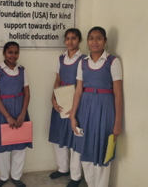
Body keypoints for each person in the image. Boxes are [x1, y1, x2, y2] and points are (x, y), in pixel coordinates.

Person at [69, 27, 123, 187]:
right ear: (87, 41)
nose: (94, 42)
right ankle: (90, 183)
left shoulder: (113, 62)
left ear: (105, 41)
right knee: (84, 147)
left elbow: (118, 94)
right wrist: (73, 115)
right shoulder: (82, 63)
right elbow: (78, 91)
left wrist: (118, 123)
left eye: (99, 38)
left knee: (102, 148)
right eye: (91, 38)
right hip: (85, 108)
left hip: (105, 109)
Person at [0, 42, 32, 187]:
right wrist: (8, 117)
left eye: (16, 52)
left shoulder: (22, 70)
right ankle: (3, 177)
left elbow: (26, 93)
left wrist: (22, 113)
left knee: (19, 146)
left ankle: (16, 176)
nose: (13, 55)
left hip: (20, 109)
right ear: (4, 53)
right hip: (2, 112)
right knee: (2, 147)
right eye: (10, 52)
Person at [48, 29, 86, 186]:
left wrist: (74, 107)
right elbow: (57, 80)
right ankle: (63, 168)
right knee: (58, 137)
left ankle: (76, 176)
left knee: (74, 139)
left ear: (79, 40)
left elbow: (81, 86)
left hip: (76, 102)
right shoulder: (61, 58)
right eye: (68, 39)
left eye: (74, 38)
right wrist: (53, 98)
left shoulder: (84, 59)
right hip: (61, 100)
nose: (70, 41)